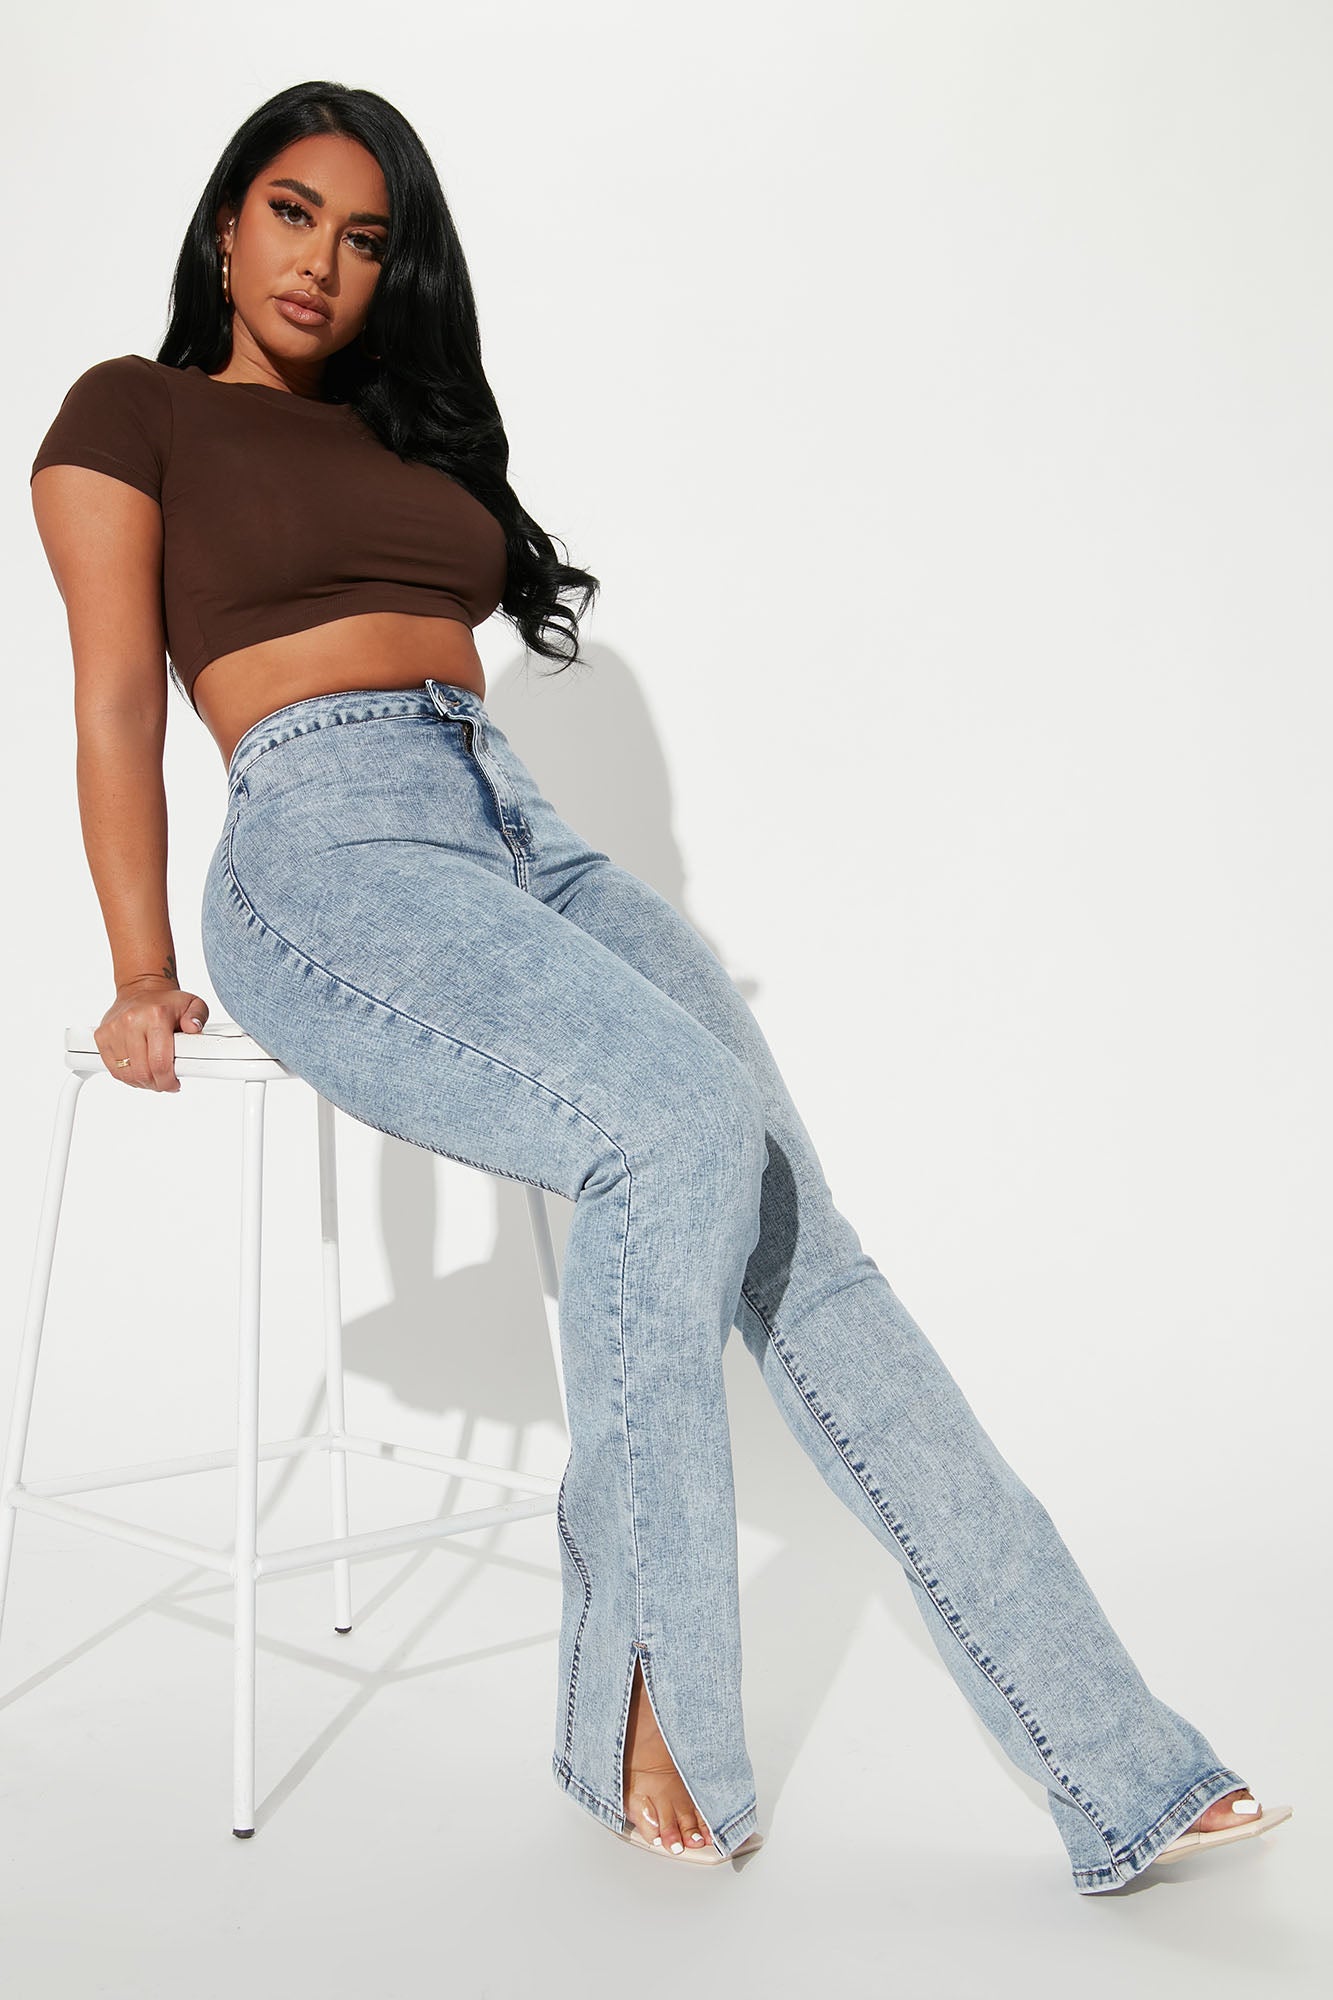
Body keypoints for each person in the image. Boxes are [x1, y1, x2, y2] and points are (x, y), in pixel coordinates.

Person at [29, 79, 1290, 1890]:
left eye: (367, 238)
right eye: (292, 214)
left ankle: (1120, 1769)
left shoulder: (405, 429)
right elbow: (109, 703)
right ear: (228, 225)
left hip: (514, 829)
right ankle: (640, 1689)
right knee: (678, 1123)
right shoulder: (129, 412)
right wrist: (138, 968)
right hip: (323, 846)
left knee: (799, 1233)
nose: (322, 262)